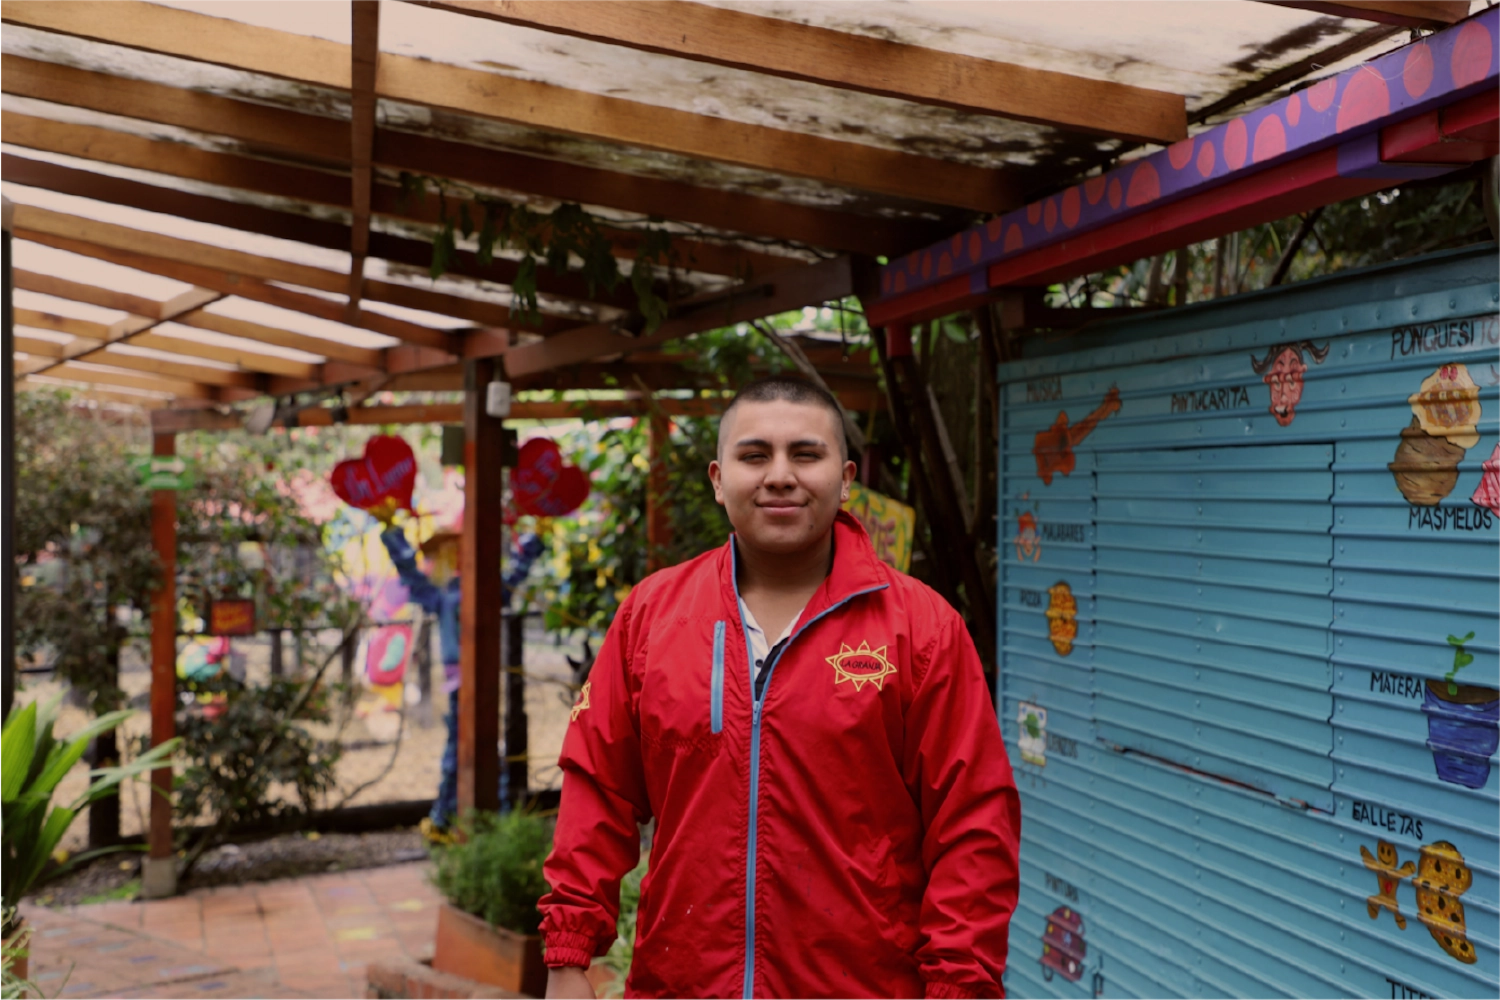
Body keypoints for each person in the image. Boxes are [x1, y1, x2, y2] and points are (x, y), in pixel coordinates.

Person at [540, 377, 1021, 1000]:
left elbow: (973, 821)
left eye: (805, 454)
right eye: (755, 455)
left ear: (845, 479)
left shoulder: (921, 629)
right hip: (681, 985)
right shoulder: (653, 617)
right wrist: (568, 955)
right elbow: (598, 786)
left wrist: (959, 986)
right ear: (719, 479)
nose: (780, 476)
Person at [380, 521, 543, 835]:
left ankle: (470, 817)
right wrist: (392, 534)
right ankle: (458, 816)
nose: (456, 556)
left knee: (481, 747)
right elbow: (411, 574)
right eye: (450, 551)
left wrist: (534, 540)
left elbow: (516, 574)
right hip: (459, 682)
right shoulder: (441, 594)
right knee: (462, 747)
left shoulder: (485, 588)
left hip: (484, 678)